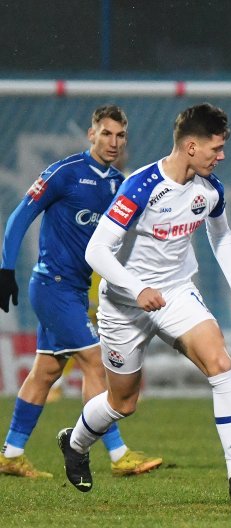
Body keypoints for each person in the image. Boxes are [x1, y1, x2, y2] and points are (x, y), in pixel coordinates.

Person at [56, 103, 231, 504]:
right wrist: (136, 289)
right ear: (191, 146)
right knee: (123, 401)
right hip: (124, 303)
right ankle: (76, 443)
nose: (221, 156)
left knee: (221, 364)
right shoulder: (140, 186)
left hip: (175, 293)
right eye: (216, 148)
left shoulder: (210, 189)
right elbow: (97, 250)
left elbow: (220, 235)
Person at [0, 105, 162, 479]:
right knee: (94, 362)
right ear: (91, 134)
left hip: (73, 290)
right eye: (106, 134)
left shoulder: (118, 183)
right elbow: (19, 216)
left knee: (45, 372)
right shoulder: (64, 173)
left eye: (120, 136)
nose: (113, 142)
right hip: (52, 285)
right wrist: (5, 269)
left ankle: (10, 453)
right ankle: (119, 454)